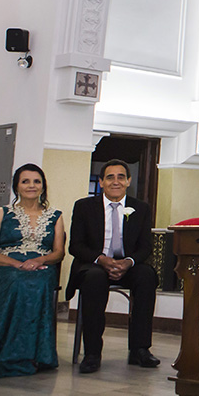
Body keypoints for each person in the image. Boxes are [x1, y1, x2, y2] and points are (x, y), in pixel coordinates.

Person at [0, 164, 65, 379]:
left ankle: (29, 356)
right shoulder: (2, 212)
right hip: (6, 266)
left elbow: (58, 253)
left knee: (35, 281)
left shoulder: (55, 215)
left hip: (42, 266)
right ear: (16, 186)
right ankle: (3, 355)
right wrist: (17, 264)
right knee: (17, 281)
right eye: (25, 181)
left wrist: (39, 260)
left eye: (36, 181)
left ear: (43, 186)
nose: (31, 186)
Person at [66, 160, 159, 373]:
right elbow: (76, 246)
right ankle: (92, 353)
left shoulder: (141, 208)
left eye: (120, 177)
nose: (115, 181)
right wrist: (102, 259)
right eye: (110, 177)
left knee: (146, 276)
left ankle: (140, 349)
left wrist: (128, 262)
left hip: (128, 265)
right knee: (95, 279)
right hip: (94, 265)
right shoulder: (84, 207)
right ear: (101, 182)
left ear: (128, 181)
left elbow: (146, 247)